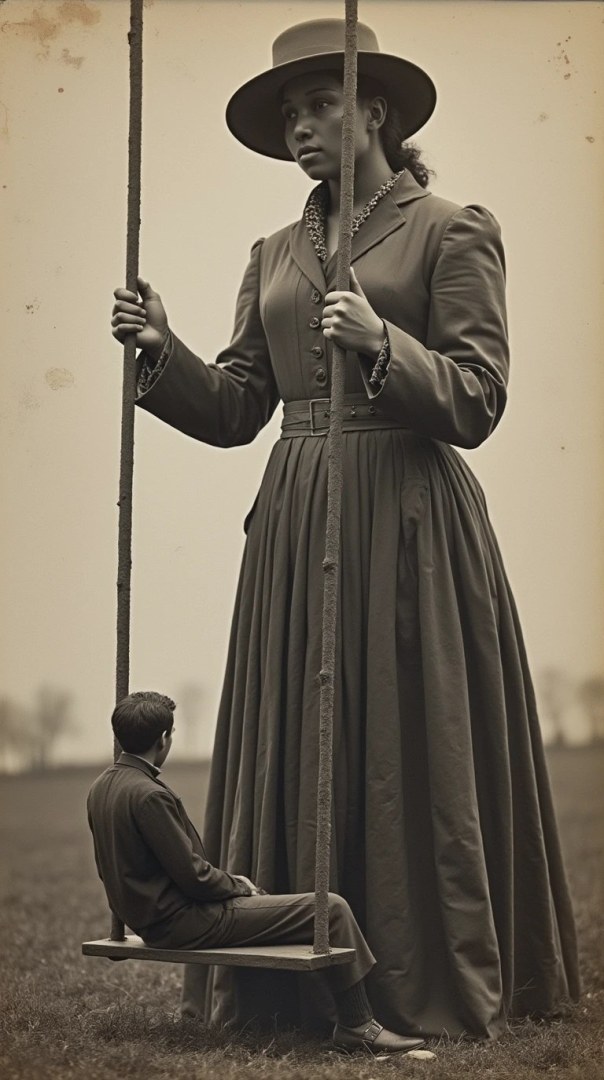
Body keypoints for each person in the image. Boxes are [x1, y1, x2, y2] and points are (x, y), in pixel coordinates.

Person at [110, 19, 580, 1040]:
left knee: (411, 742)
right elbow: (239, 407)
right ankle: (287, 976)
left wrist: (381, 343)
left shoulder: (451, 229)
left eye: (319, 105)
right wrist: (163, 351)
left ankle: (420, 976)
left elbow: (475, 400)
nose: (300, 129)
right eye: (288, 115)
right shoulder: (272, 254)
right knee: (306, 736)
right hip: (295, 518)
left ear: (376, 110)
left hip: (409, 521)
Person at [87, 690, 426, 1056]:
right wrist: (238, 886)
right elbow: (193, 878)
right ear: (164, 738)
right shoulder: (148, 795)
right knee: (330, 909)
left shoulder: (101, 787)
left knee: (318, 910)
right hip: (182, 922)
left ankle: (345, 1021)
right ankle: (358, 1026)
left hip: (150, 919)